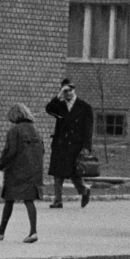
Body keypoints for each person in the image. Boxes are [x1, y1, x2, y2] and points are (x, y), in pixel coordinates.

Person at [0, 104, 44, 244]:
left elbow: (10, 152)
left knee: (9, 199)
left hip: (16, 171)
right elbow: (42, 151)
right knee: (29, 200)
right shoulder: (36, 130)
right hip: (34, 171)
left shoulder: (14, 130)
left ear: (15, 115)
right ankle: (32, 232)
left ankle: (1, 232)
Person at [45, 81, 94, 209]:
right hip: (60, 144)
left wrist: (86, 147)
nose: (68, 93)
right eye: (65, 91)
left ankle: (84, 191)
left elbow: (88, 130)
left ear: (74, 90)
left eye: (70, 90)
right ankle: (58, 200)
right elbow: (48, 109)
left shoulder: (84, 107)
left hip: (76, 145)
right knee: (57, 172)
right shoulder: (59, 105)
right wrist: (58, 95)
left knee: (74, 172)